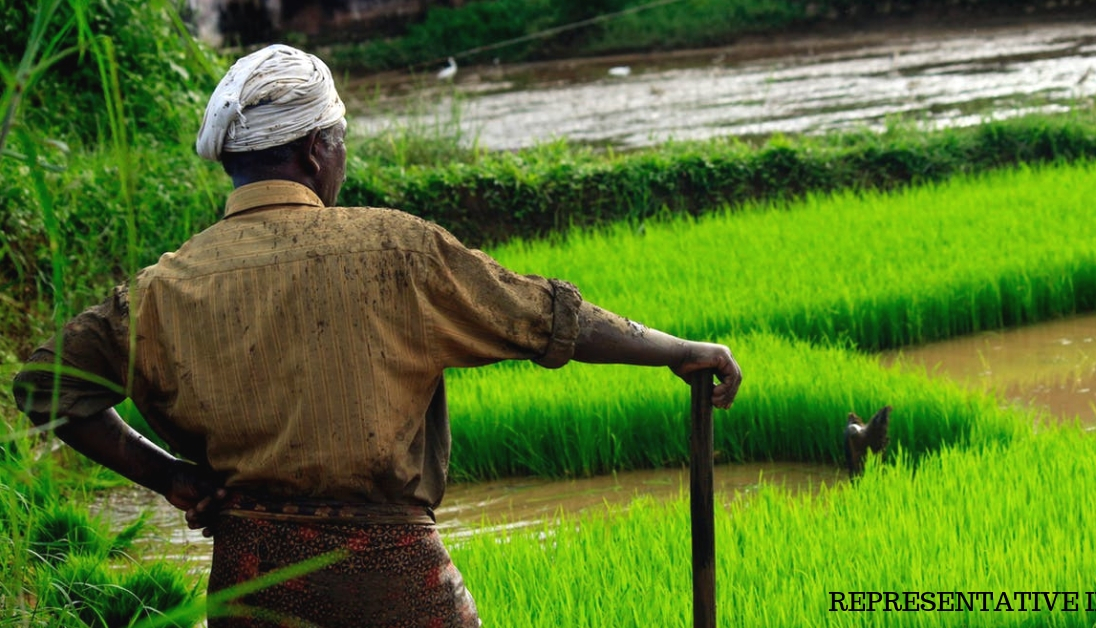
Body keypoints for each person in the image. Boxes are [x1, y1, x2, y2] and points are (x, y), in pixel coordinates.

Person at [11, 44, 741, 628]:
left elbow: (43, 384)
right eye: (341, 141)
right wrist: (681, 350)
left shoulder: (164, 287)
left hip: (250, 576)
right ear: (315, 151)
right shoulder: (394, 249)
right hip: (388, 571)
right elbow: (548, 316)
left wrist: (172, 476)